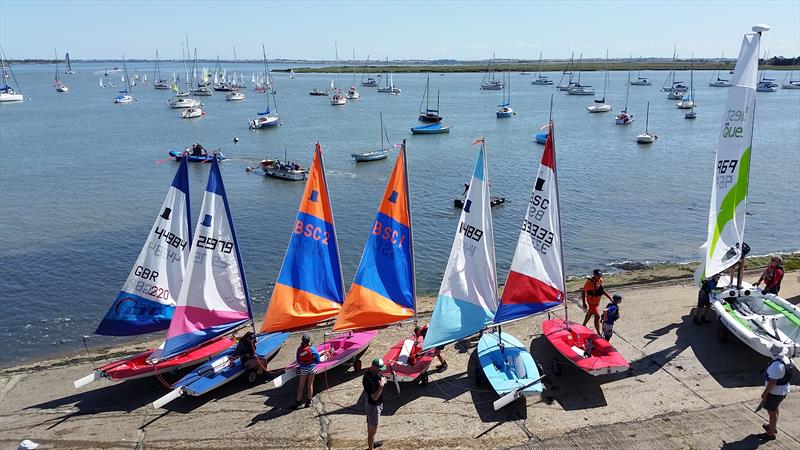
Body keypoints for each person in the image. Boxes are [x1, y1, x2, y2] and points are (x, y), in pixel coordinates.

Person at [759, 345, 793, 441]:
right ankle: (772, 426)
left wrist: (765, 393)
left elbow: (772, 382)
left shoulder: (776, 366)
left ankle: (770, 434)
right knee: (775, 408)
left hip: (775, 393)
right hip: (783, 391)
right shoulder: (786, 359)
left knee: (772, 412)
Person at [363, 358, 388, 450]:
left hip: (375, 404)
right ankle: (371, 448)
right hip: (373, 406)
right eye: (379, 369)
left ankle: (372, 443)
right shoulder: (368, 379)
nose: (380, 371)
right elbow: (374, 397)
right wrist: (381, 385)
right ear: (373, 367)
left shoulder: (373, 373)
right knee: (372, 429)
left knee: (371, 426)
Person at [582, 269, 612, 335]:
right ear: (594, 275)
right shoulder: (589, 283)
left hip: (597, 302)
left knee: (589, 313)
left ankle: (583, 325)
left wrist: (610, 298)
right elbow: (583, 292)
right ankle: (598, 333)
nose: (599, 276)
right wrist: (584, 303)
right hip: (591, 302)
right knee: (597, 316)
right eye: (598, 275)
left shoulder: (600, 280)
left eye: (600, 275)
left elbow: (602, 291)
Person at [294, 333, 320, 409]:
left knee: (301, 386)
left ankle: (297, 403)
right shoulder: (312, 348)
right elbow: (318, 359)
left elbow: (298, 360)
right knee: (310, 385)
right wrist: (315, 362)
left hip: (303, 369)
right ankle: (308, 402)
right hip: (312, 368)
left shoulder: (299, 350)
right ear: (309, 341)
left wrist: (302, 364)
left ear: (302, 340)